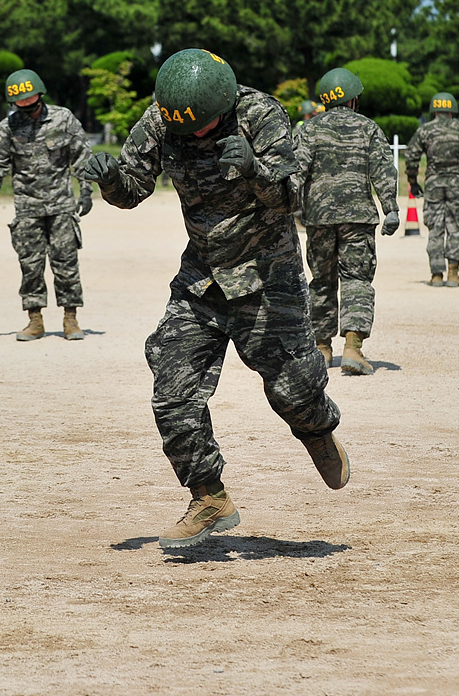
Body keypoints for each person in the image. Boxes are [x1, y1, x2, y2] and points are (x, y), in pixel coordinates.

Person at [76, 48, 348, 548]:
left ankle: (315, 428)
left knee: (292, 390)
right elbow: (133, 188)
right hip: (202, 278)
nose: (195, 134)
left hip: (268, 276)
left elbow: (294, 198)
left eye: (204, 126)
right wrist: (111, 178)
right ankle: (209, 497)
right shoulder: (164, 120)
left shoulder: (261, 114)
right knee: (172, 390)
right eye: (187, 128)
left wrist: (254, 170)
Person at [293, 67, 399, 375]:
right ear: (353, 99)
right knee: (356, 280)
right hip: (358, 218)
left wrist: (294, 211)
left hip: (318, 219)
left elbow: (295, 173)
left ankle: (321, 349)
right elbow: (383, 170)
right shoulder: (368, 128)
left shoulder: (308, 130)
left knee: (321, 282)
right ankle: (353, 349)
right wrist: (390, 207)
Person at [0, 69, 93, 341]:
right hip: (27, 208)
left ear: (40, 94)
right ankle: (35, 320)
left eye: (30, 99)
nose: (27, 106)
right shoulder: (8, 127)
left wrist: (86, 190)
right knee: (30, 266)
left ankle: (70, 319)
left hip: (61, 207)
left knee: (66, 265)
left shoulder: (63, 119)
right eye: (20, 102)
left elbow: (82, 157)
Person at [403, 92, 459, 287]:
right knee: (455, 228)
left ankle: (436, 275)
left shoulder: (425, 130)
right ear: (452, 110)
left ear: (434, 110)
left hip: (433, 183)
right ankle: (453, 273)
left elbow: (411, 156)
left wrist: (413, 181)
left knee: (435, 228)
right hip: (457, 182)